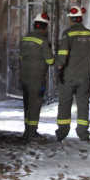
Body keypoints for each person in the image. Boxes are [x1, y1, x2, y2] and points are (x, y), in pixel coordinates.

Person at [55, 6, 90, 142]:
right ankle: (83, 134)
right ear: (81, 19)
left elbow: (62, 55)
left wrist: (58, 70)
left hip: (68, 77)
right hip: (85, 78)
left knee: (65, 105)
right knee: (83, 106)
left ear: (70, 20)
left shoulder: (67, 34)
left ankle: (61, 134)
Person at [20, 13, 55, 143]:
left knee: (27, 104)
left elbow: (22, 58)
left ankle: (26, 130)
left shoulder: (25, 39)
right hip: (36, 78)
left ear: (35, 25)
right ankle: (32, 133)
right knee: (34, 105)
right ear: (45, 27)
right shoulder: (43, 40)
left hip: (24, 76)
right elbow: (50, 61)